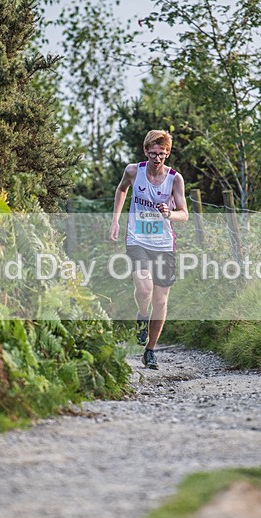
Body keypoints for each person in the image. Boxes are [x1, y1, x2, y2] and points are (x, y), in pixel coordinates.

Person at [109, 130, 187, 369]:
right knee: (144, 289)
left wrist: (169, 214)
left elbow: (184, 214)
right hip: (138, 238)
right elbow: (122, 189)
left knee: (161, 301)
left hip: (163, 243)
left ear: (168, 153)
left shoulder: (175, 179)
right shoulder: (134, 171)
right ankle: (142, 315)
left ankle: (150, 350)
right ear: (145, 151)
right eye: (153, 153)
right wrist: (116, 220)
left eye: (161, 154)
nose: (157, 158)